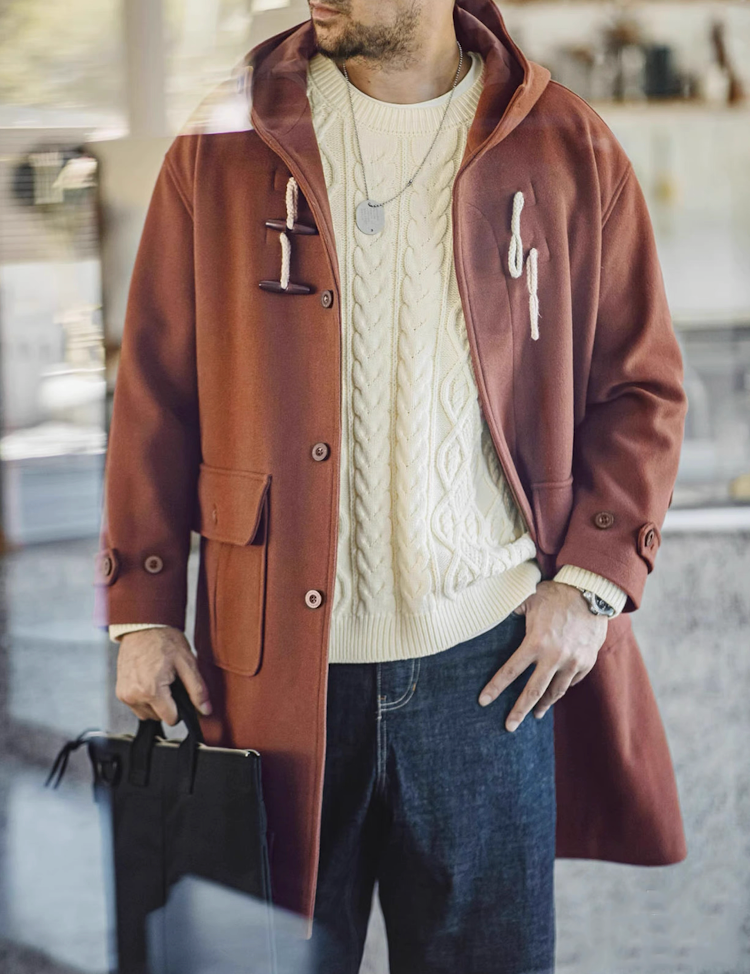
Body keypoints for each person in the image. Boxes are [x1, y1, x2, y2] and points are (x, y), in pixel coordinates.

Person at [95, 0, 689, 971]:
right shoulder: (225, 141)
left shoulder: (566, 142)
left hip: (491, 677)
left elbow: (641, 386)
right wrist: (144, 606)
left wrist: (589, 586)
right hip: (263, 672)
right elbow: (156, 389)